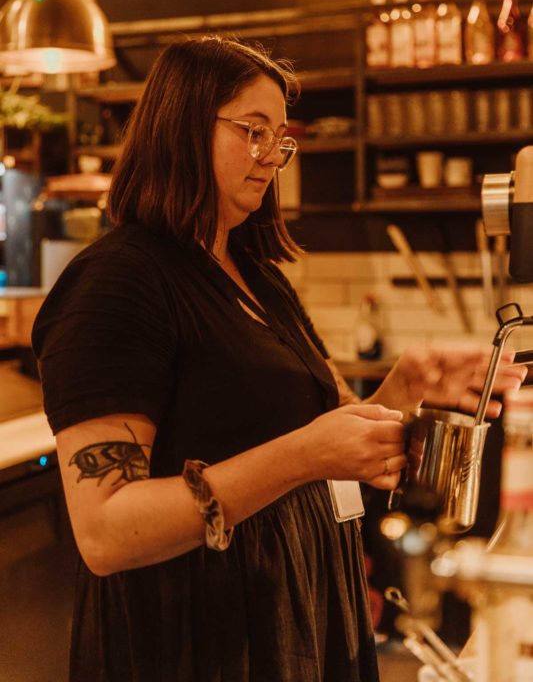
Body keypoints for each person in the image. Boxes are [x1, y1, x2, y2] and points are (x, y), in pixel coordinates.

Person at [32, 37, 525, 682]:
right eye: (252, 131)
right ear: (179, 126)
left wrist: (400, 391)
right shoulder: (119, 282)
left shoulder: (256, 276)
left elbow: (307, 436)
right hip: (196, 642)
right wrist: (304, 457)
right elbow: (105, 531)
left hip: (296, 612)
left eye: (280, 139)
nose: (271, 157)